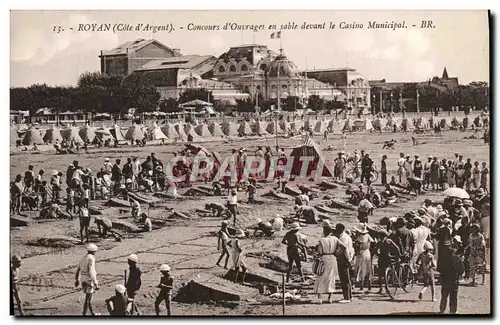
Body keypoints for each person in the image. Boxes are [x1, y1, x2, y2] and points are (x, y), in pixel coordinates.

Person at [313, 221, 346, 304]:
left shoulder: (322, 240)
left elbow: (319, 252)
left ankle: (320, 298)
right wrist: (337, 253)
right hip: (333, 258)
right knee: (331, 277)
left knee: (321, 277)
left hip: (324, 257)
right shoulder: (335, 239)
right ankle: (330, 298)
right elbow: (344, 247)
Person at [439, 244, 465, 314]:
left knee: (444, 296)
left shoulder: (443, 259)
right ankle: (453, 311)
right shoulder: (457, 258)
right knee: (453, 297)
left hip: (445, 280)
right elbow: (462, 269)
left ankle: (442, 310)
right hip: (454, 280)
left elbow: (439, 268)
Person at [74, 243, 99, 316]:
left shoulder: (83, 258)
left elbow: (78, 270)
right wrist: (96, 283)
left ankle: (92, 313)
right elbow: (91, 271)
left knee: (89, 297)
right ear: (94, 251)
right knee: (87, 299)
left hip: (82, 278)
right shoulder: (91, 258)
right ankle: (84, 314)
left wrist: (77, 280)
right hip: (89, 279)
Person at [334, 223, 354, 303]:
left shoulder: (343, 238)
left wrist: (336, 254)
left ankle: (347, 298)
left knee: (344, 278)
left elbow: (343, 249)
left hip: (344, 259)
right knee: (347, 278)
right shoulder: (347, 236)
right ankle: (349, 296)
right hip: (347, 258)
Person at [353, 224, 374, 292]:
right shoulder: (368, 236)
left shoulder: (359, 237)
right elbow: (373, 242)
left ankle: (362, 285)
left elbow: (356, 246)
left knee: (361, 268)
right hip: (367, 252)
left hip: (361, 253)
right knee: (368, 268)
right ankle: (369, 285)